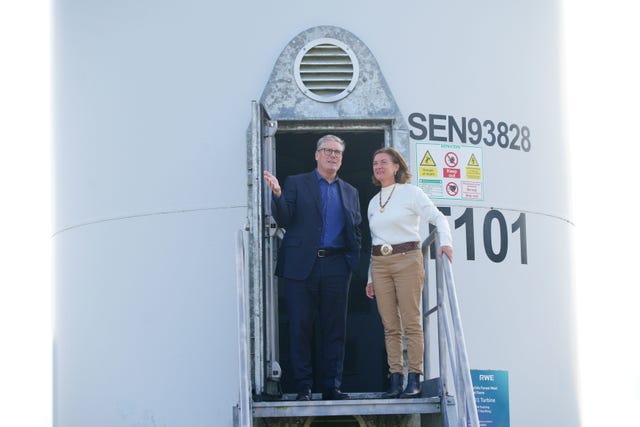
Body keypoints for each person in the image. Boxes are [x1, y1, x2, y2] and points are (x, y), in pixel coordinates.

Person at [263, 135, 362, 401]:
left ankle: (332, 387)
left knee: (335, 330)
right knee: (300, 327)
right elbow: (284, 218)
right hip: (301, 267)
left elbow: (356, 230)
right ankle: (303, 387)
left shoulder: (351, 192)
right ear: (316, 155)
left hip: (336, 267)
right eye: (327, 151)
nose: (332, 156)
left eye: (337, 153)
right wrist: (278, 195)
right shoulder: (296, 183)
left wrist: (352, 262)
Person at [365, 147, 453, 399]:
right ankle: (396, 378)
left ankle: (415, 377)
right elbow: (374, 239)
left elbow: (438, 218)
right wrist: (370, 277)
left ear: (396, 167)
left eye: (384, 162)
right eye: (374, 163)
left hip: (407, 259)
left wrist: (445, 242)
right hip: (380, 264)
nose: (378, 166)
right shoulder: (373, 202)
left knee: (411, 322)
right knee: (390, 325)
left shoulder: (411, 193)